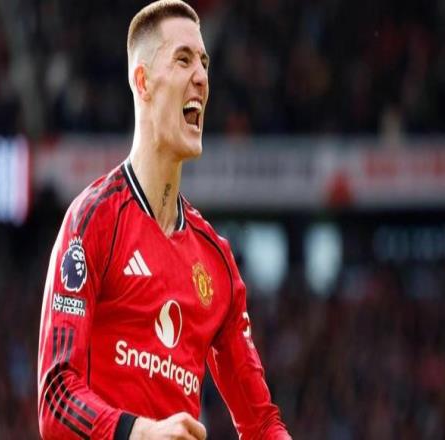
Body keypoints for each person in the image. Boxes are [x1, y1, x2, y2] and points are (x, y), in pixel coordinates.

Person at [37, 1, 292, 439]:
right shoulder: (94, 220)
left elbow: (262, 423)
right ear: (143, 82)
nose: (202, 77)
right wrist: (141, 433)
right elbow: (56, 399)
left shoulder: (216, 261)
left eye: (205, 63)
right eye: (183, 60)